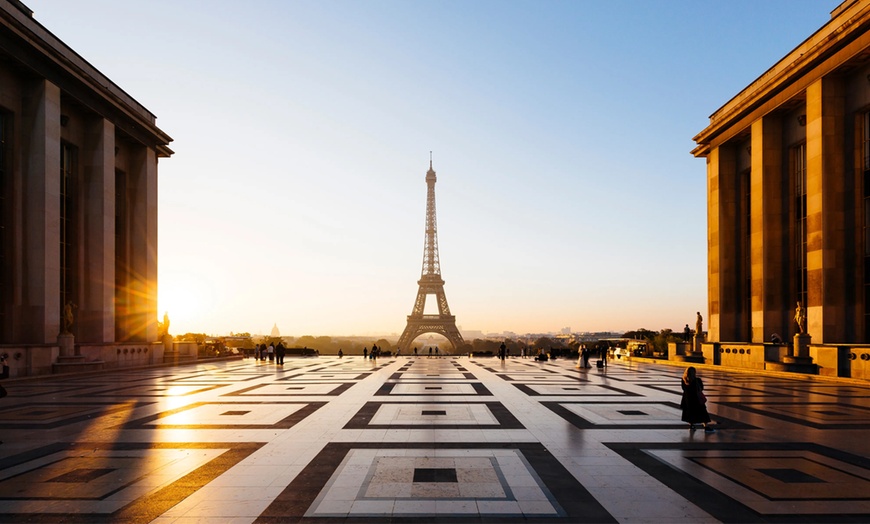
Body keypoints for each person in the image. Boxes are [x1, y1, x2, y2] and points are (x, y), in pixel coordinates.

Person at [681, 366, 714, 432]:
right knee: (703, 413)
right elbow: (701, 388)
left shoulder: (684, 380)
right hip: (697, 400)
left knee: (690, 413)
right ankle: (706, 427)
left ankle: (692, 426)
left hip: (687, 400)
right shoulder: (697, 380)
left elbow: (683, 389)